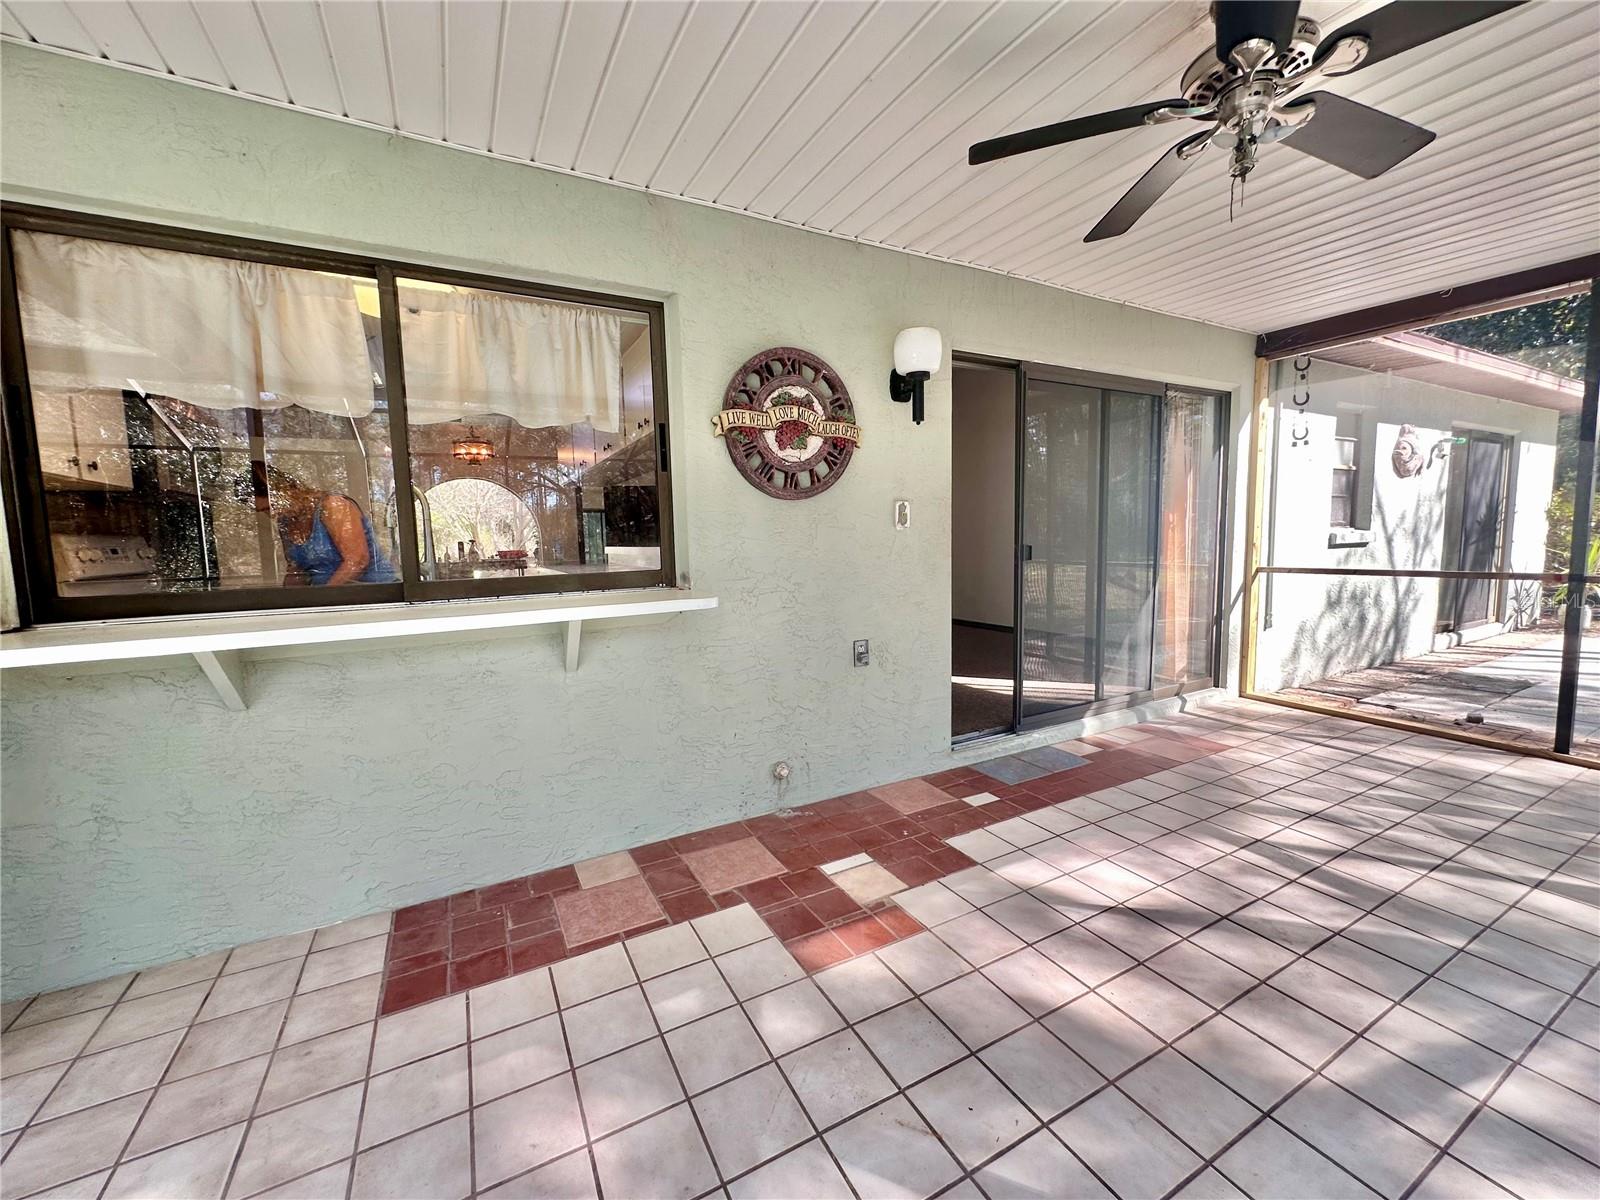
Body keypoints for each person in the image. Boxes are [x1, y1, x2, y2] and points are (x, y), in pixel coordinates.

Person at [267, 467, 399, 586]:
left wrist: (323, 600)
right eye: (264, 511)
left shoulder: (333, 506)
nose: (272, 514)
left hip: (371, 595)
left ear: (287, 492)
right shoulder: (285, 521)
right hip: (328, 598)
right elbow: (296, 571)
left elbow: (357, 561)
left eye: (272, 506)